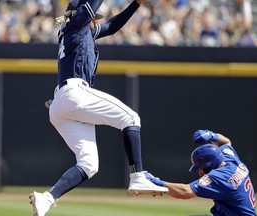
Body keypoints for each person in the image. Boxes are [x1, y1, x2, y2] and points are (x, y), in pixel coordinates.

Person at [29, 0, 168, 215]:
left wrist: (135, 5)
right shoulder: (76, 24)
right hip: (74, 93)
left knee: (89, 164)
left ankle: (47, 198)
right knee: (131, 119)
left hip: (61, 103)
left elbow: (112, 26)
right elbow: (91, 5)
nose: (96, 21)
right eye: (94, 17)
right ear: (82, 14)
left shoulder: (78, 31)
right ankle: (138, 176)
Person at [146, 129, 256, 216]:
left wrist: (155, 182)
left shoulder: (220, 177)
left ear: (210, 164)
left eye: (201, 167)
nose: (200, 172)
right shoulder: (230, 160)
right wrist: (212, 135)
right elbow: (226, 142)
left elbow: (185, 192)